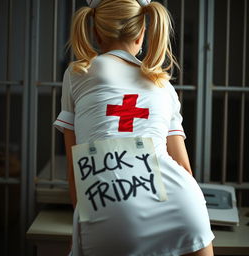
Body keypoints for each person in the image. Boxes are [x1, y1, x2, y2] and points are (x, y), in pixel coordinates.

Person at [53, 0, 215, 255]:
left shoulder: (77, 72)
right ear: (142, 33)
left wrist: (82, 226)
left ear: (96, 32)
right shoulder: (164, 84)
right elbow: (184, 167)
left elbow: (76, 168)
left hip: (111, 204)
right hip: (183, 206)